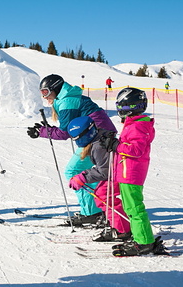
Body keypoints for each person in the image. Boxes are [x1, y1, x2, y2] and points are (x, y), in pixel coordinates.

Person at [27, 74, 117, 227]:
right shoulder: (67, 97)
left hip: (98, 138)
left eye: (46, 92)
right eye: (42, 93)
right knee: (84, 171)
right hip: (97, 135)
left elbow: (65, 133)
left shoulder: (67, 101)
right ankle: (96, 209)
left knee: (74, 171)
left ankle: (92, 212)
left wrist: (42, 132)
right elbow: (67, 127)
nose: (45, 97)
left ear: (55, 88)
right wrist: (48, 129)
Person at [100, 87, 164, 256]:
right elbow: (129, 144)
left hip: (131, 173)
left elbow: (135, 149)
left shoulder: (137, 126)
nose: (119, 110)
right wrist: (114, 142)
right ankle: (140, 236)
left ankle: (144, 242)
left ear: (131, 106)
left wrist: (116, 145)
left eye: (121, 106)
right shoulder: (135, 124)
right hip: (129, 172)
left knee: (134, 208)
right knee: (131, 207)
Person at [67, 116, 131, 242]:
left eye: (79, 139)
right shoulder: (97, 139)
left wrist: (82, 177)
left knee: (104, 196)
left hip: (118, 174)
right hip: (117, 172)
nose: (78, 142)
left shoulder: (98, 146)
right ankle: (117, 225)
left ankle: (121, 230)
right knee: (101, 195)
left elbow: (104, 171)